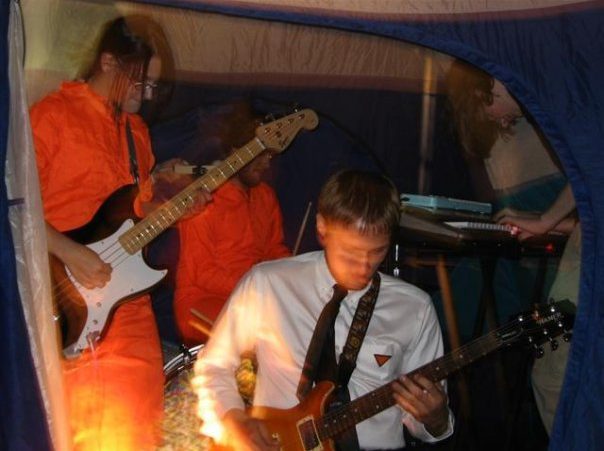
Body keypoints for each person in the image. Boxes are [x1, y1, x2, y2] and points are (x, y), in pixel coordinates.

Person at [29, 15, 209, 450]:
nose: (145, 97)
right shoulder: (51, 116)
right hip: (62, 302)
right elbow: (14, 206)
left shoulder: (137, 133)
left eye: (153, 88)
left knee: (139, 431)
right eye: (139, 83)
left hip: (129, 306)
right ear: (108, 61)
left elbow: (133, 213)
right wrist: (70, 252)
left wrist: (176, 208)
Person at [193, 169, 453, 450]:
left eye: (378, 251)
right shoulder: (268, 283)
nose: (364, 266)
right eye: (351, 251)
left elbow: (425, 421)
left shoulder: (414, 307)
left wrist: (436, 419)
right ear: (322, 227)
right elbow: (214, 366)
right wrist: (235, 421)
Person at [445, 59, 580, 435]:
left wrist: (547, 222)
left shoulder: (562, 96)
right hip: (571, 252)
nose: (503, 123)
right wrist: (547, 222)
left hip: (579, 264)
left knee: (556, 376)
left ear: (485, 89)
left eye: (491, 113)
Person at [173, 101, 290, 345]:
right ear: (237, 152)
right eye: (260, 154)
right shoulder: (202, 198)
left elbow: (275, 249)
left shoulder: (265, 196)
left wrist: (291, 275)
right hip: (201, 303)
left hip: (253, 297)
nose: (266, 163)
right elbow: (202, 273)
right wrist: (256, 287)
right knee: (264, 333)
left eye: (270, 155)